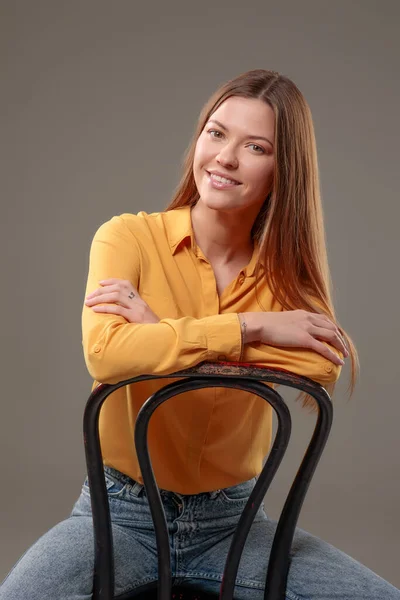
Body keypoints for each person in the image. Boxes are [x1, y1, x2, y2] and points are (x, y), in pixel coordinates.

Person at [1, 69, 398, 600]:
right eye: (216, 133)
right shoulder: (128, 237)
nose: (225, 158)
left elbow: (319, 367)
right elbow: (106, 356)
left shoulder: (288, 277)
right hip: (120, 515)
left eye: (255, 146)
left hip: (233, 523)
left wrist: (161, 337)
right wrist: (251, 327)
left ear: (285, 169)